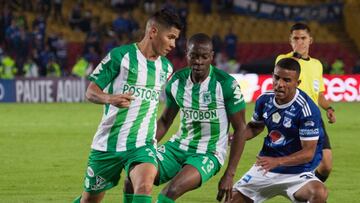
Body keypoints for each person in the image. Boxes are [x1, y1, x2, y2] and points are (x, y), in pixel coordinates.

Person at [73, 9, 182, 203]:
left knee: (144, 186)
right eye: (170, 37)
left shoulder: (166, 68)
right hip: (108, 144)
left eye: (176, 39)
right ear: (153, 32)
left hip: (142, 144)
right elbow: (91, 91)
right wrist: (110, 98)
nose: (173, 44)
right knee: (89, 200)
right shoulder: (120, 56)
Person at [124, 33, 247, 203]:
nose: (198, 61)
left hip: (208, 152)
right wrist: (146, 147)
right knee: (133, 176)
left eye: (204, 57)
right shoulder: (176, 81)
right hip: (177, 147)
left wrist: (229, 174)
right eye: (194, 56)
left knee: (169, 192)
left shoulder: (225, 85)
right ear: (186, 54)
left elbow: (241, 129)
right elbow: (166, 120)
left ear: (211, 57)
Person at [230, 57, 328, 203]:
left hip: (297, 173)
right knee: (231, 200)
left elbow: (308, 153)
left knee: (319, 193)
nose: (279, 84)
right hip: (265, 167)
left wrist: (278, 161)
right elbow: (255, 127)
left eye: (287, 80)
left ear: (297, 83)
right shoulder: (264, 99)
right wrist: (235, 137)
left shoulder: (307, 109)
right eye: (277, 78)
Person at [275, 23, 336, 183]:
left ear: (310, 40)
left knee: (326, 165)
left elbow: (319, 93)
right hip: (293, 118)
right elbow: (279, 88)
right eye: (296, 38)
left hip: (314, 117)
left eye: (303, 38)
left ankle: (307, 192)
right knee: (299, 165)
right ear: (290, 41)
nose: (300, 42)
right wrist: (295, 57)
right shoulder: (283, 60)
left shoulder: (316, 65)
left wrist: (328, 107)